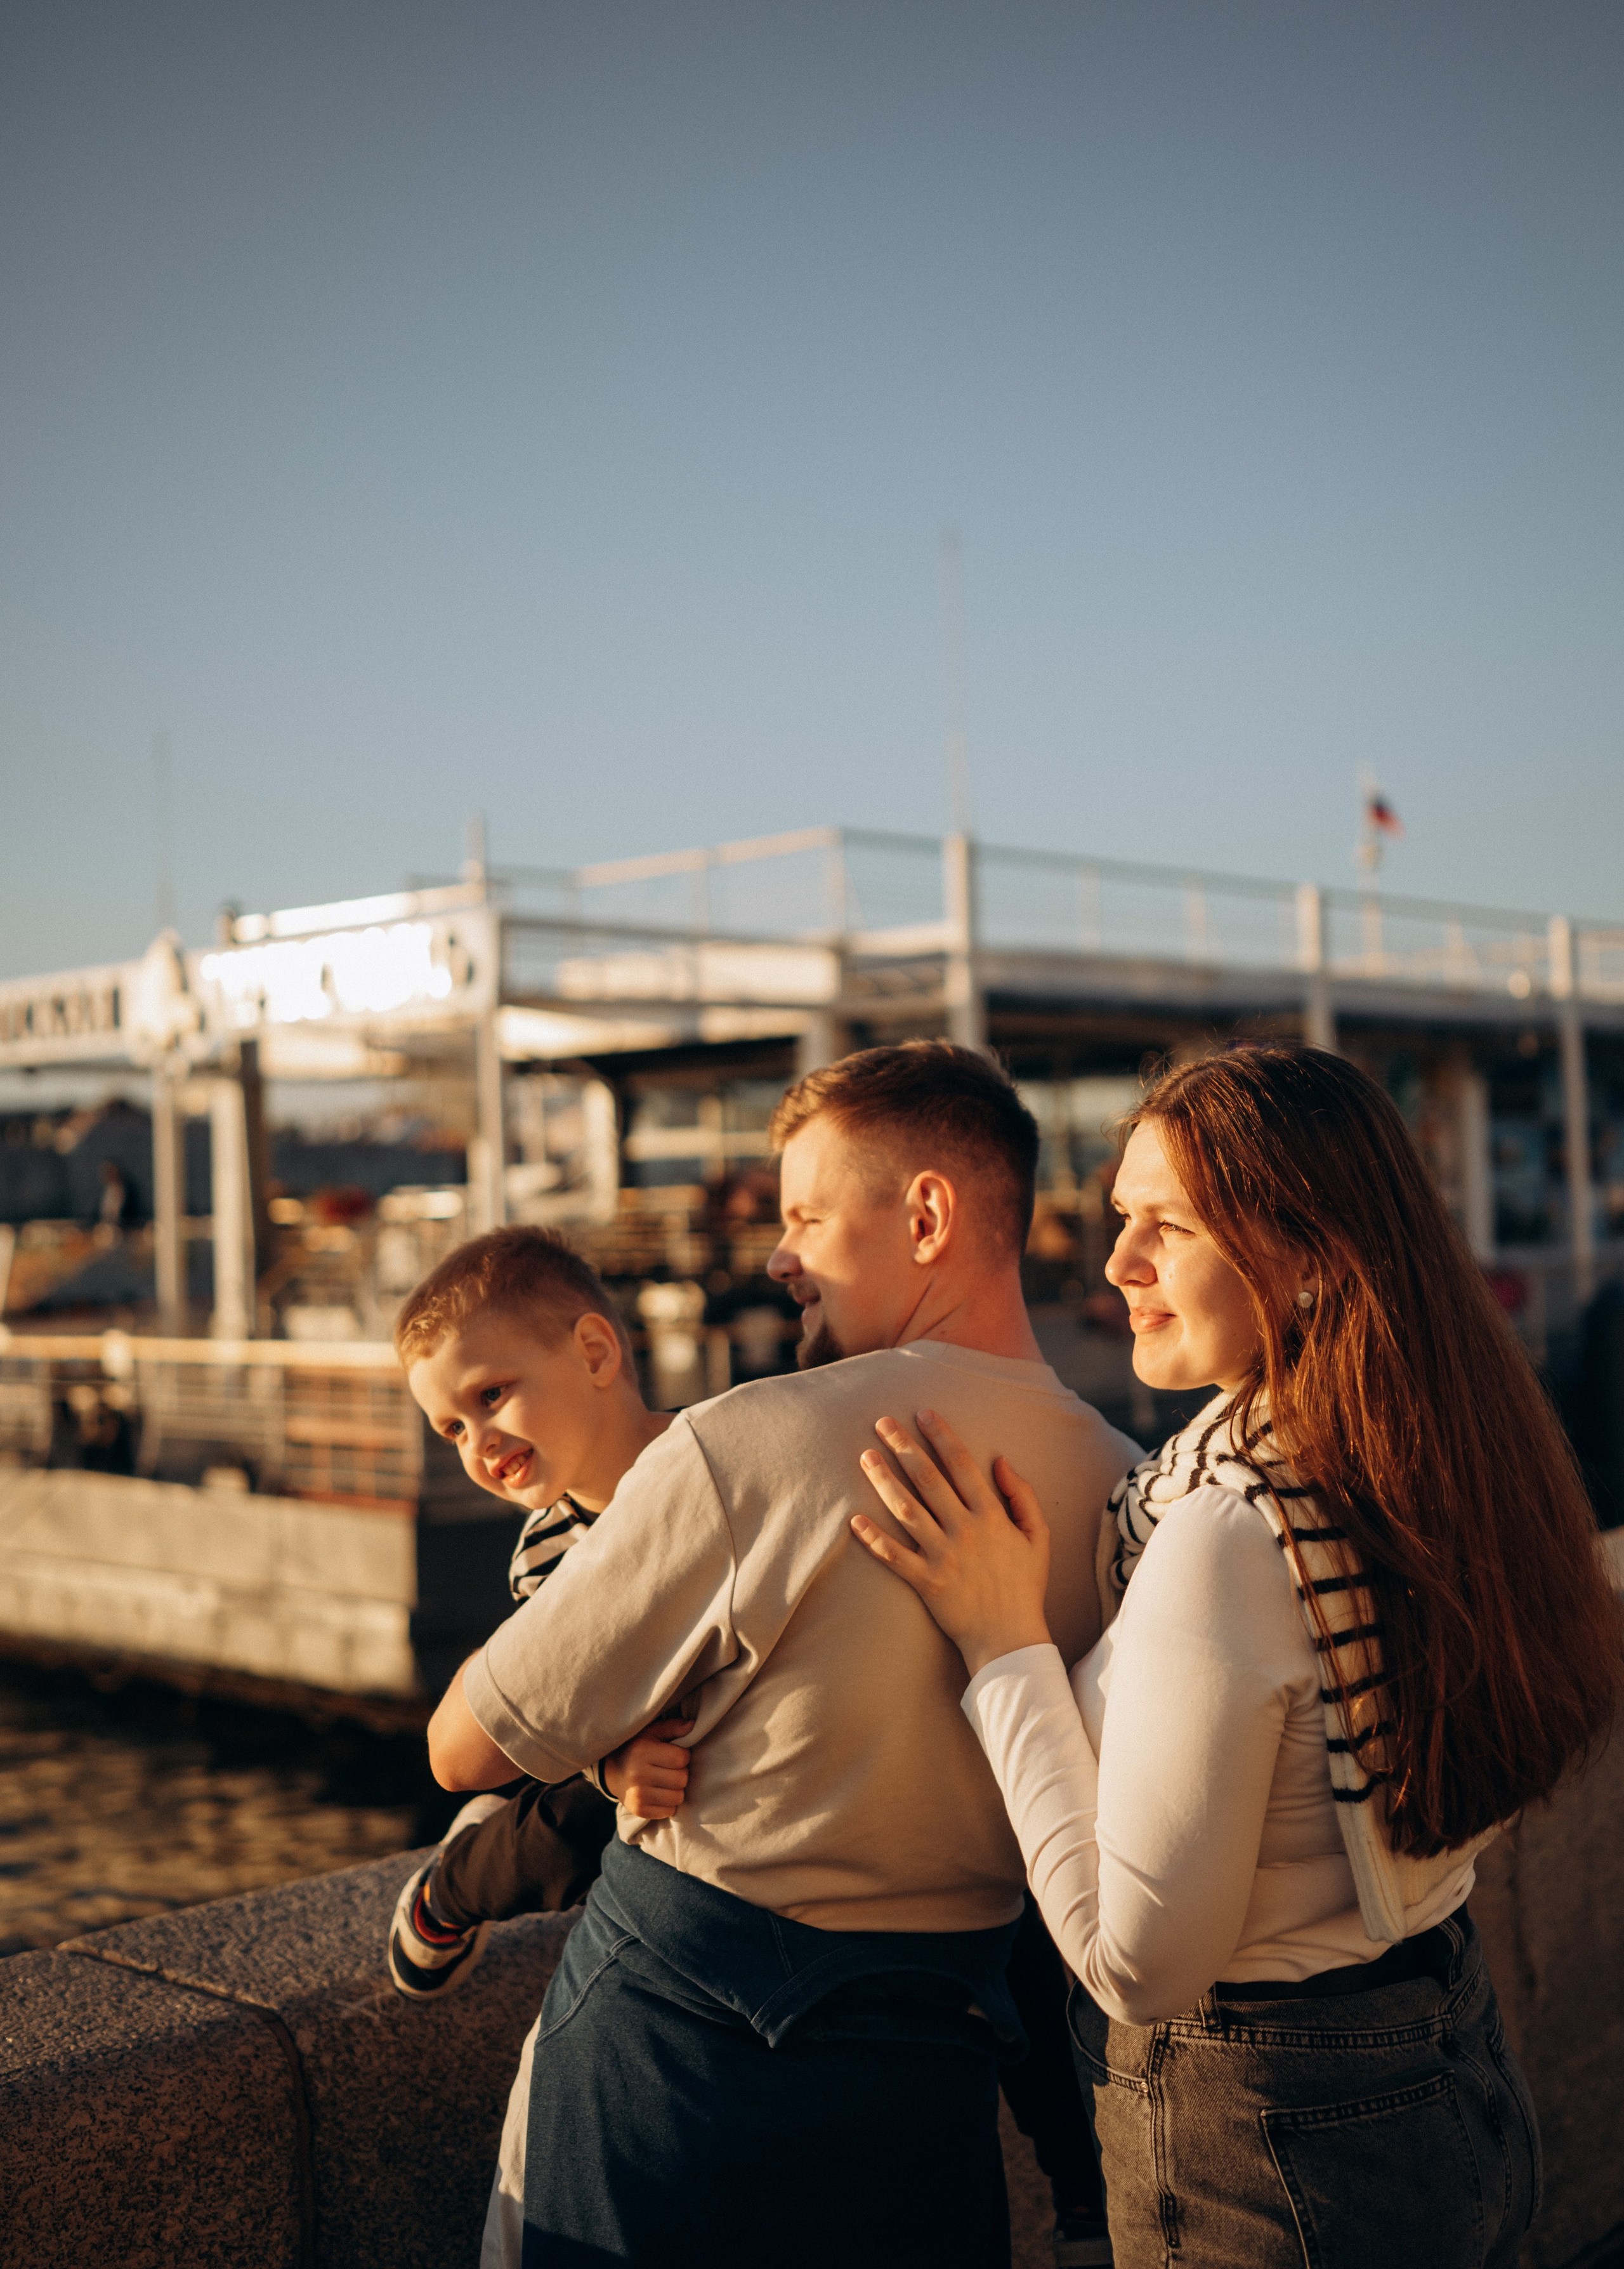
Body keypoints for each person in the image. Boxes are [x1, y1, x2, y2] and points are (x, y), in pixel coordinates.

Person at [853, 1043, 1623, 2269]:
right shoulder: (1420, 1462)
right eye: (1121, 1218)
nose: (1118, 1265)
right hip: (1447, 2061)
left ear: (1308, 1255)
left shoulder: (1231, 1527)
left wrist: (1003, 1645)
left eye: (1168, 1225)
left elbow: (1139, 1967)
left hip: (1273, 2148)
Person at [426, 1041, 1139, 2269]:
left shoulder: (750, 1439)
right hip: (931, 2073)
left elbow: (467, 1744)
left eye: (805, 1213)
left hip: (671, 2074)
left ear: (923, 1215)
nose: (774, 1255)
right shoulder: (1125, 1483)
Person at [388, 1227, 690, 2265]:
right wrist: (607, 1765)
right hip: (619, 1759)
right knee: (569, 1826)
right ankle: (454, 1886)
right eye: (449, 1427)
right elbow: (557, 1709)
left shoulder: (717, 1456)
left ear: (598, 1353)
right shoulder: (547, 1553)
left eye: (492, 1395)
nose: (475, 1440)